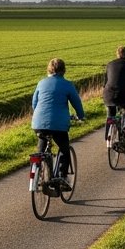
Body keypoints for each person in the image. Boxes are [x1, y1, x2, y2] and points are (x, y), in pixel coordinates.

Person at [31, 58, 85, 192]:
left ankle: (39, 169)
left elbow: (34, 103)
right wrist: (81, 116)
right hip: (58, 124)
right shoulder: (67, 85)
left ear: (49, 69)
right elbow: (76, 103)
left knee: (41, 149)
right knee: (64, 149)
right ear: (63, 70)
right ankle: (61, 176)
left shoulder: (41, 83)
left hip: (38, 122)